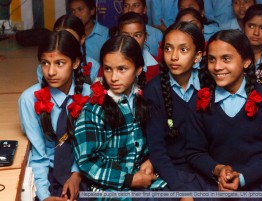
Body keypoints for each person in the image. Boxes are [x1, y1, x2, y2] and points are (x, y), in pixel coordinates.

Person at [185, 30, 262, 196]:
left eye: (226, 59)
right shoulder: (199, 101)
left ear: (246, 61)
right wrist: (218, 170)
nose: (217, 67)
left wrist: (242, 178)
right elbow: (194, 152)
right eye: (212, 59)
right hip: (215, 182)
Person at [72, 35, 166, 193]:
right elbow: (87, 161)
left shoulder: (145, 99)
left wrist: (151, 161)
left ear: (138, 69)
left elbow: (160, 139)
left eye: (122, 69)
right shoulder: (94, 109)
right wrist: (129, 179)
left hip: (147, 178)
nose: (114, 78)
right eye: (108, 69)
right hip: (109, 186)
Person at [18, 30, 91, 201]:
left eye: (59, 63)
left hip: (84, 168)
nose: (50, 72)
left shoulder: (91, 96)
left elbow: (90, 147)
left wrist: (76, 174)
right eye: (45, 63)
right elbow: (38, 154)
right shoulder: (29, 99)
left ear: (75, 63)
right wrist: (44, 195)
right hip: (47, 172)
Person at [145, 21, 205, 198]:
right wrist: (180, 189)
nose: (174, 57)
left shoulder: (210, 85)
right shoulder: (153, 90)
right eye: (168, 49)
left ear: (198, 55)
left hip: (207, 170)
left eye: (183, 50)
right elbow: (157, 150)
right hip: (170, 172)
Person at [36, 14, 100, 84]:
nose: (64, 41)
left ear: (82, 39)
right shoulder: (43, 68)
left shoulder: (93, 66)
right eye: (59, 36)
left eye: (70, 37)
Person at [118, 12, 160, 82]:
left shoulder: (156, 67)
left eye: (137, 35)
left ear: (145, 37)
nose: (132, 41)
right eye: (126, 36)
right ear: (118, 37)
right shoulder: (110, 63)